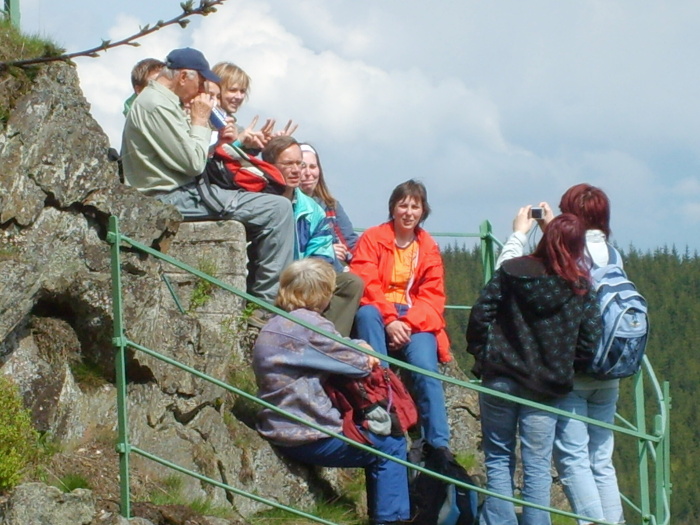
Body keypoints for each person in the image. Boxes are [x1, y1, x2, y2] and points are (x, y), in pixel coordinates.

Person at [121, 48, 294, 307]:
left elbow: (184, 156)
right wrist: (201, 120)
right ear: (183, 77)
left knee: (268, 203)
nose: (203, 90)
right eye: (201, 82)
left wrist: (215, 145)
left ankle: (260, 300)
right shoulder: (156, 105)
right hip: (169, 197)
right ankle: (266, 307)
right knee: (277, 209)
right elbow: (191, 163)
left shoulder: (161, 101)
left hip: (180, 190)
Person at [495, 185, 625, 525]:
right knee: (601, 459)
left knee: (573, 460)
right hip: (609, 370)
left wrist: (523, 235)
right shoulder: (612, 254)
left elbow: (509, 274)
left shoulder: (574, 252)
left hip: (573, 372)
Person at [466, 213, 602, 525]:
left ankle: (499, 521)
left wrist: (482, 357)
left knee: (498, 456)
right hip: (547, 386)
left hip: (500, 375)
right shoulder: (580, 286)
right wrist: (568, 367)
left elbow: (480, 314)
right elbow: (589, 339)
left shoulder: (512, 271)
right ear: (577, 246)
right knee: (537, 464)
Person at [252, 258, 411, 525]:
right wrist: (366, 349)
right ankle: (391, 520)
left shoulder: (275, 323)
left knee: (377, 441)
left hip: (276, 423)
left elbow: (332, 350)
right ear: (321, 293)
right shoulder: (312, 326)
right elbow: (358, 363)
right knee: (391, 446)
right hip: (307, 433)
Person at [350, 179, 451, 451]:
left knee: (426, 370)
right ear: (392, 208)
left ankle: (438, 446)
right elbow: (365, 280)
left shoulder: (428, 246)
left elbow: (433, 296)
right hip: (380, 310)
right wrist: (390, 319)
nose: (408, 212)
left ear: (423, 211)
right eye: (402, 205)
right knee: (367, 315)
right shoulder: (372, 237)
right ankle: (382, 408)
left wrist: (405, 323)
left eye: (415, 206)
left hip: (414, 318)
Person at [261, 136, 364, 337]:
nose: (297, 170)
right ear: (271, 166)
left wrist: (309, 279)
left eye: (299, 164)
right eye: (288, 164)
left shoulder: (313, 209)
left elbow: (323, 254)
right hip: (272, 278)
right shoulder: (259, 200)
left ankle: (328, 343)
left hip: (304, 277)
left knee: (351, 283)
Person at [212, 61, 298, 151]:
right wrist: (238, 141)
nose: (239, 97)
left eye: (242, 91)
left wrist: (269, 143)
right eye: (232, 90)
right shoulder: (201, 120)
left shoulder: (236, 129)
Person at [299, 142, 358, 271]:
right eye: (302, 167)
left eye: (313, 166)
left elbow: (350, 243)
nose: (308, 173)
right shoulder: (289, 205)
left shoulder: (331, 206)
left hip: (336, 268)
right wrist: (328, 251)